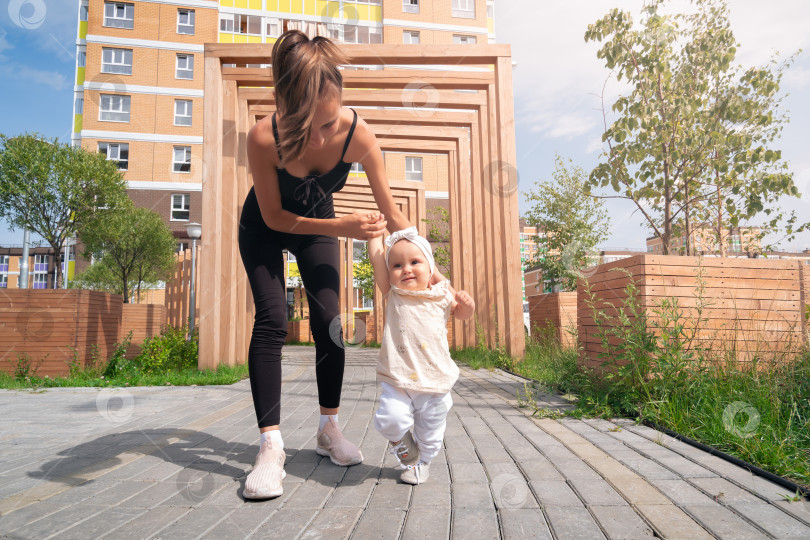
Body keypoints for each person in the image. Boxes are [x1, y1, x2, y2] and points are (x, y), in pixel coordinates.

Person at [238, 30, 446, 499]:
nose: (318, 136)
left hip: (318, 226)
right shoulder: (262, 137)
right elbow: (273, 216)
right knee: (272, 319)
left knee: (330, 322)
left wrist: (435, 274)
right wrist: (344, 227)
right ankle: (270, 445)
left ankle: (328, 429)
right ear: (283, 106)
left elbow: (395, 216)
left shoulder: (358, 134)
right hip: (266, 226)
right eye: (305, 125)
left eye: (328, 124)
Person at [367, 227, 475, 484]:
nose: (406, 269)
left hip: (434, 381)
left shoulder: (440, 294)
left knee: (430, 430)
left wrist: (467, 306)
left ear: (430, 269)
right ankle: (407, 451)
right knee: (389, 419)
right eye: (397, 265)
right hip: (398, 378)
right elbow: (376, 259)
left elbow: (460, 314)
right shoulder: (393, 293)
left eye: (415, 262)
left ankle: (422, 461)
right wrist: (374, 235)